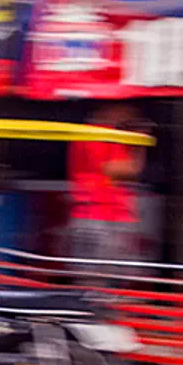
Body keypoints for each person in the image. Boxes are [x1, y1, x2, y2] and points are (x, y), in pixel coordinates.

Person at [68, 103, 146, 264]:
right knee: (101, 278)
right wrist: (141, 141)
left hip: (100, 214)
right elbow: (125, 171)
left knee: (101, 278)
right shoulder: (101, 134)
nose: (132, 115)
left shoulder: (97, 133)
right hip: (102, 216)